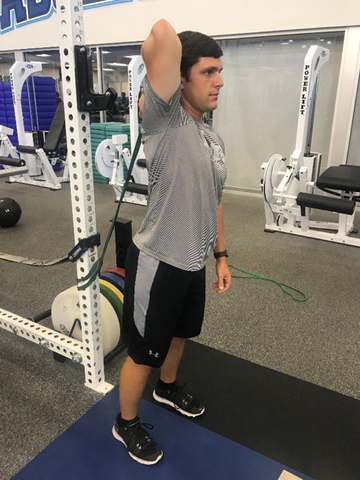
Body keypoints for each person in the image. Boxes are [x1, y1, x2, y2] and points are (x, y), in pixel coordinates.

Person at [112, 19, 231, 465]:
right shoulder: (164, 118)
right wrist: (175, 60)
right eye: (207, 71)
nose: (219, 81)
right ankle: (124, 424)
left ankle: (166, 388)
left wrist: (220, 256)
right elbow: (161, 33)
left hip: (192, 262)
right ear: (181, 77)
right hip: (157, 259)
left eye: (221, 71)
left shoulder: (212, 137)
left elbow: (215, 201)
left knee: (181, 334)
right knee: (144, 351)